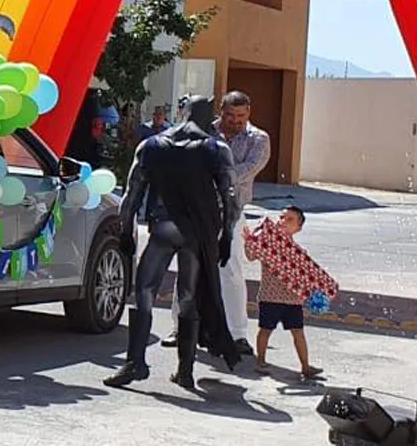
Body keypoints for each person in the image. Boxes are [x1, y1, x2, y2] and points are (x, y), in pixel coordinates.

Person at [103, 96, 241, 391]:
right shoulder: (216, 149)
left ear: (183, 113)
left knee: (144, 292)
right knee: (188, 297)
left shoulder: (152, 145)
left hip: (163, 226)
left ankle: (135, 362)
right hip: (196, 233)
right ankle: (185, 370)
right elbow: (231, 199)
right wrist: (226, 235)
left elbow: (131, 195)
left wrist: (126, 231)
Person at [165, 89, 269, 356]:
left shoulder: (258, 139)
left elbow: (244, 172)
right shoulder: (202, 130)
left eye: (241, 116)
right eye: (230, 115)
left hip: (231, 212)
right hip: (196, 209)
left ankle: (237, 334)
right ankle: (181, 327)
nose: (235, 121)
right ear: (220, 111)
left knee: (230, 269)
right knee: (189, 265)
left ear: (249, 114)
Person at [245, 206, 323, 380]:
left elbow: (308, 277)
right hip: (270, 297)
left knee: (298, 331)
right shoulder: (267, 245)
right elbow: (250, 256)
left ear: (298, 228)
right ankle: (261, 361)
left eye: (290, 220)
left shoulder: (300, 253)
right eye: (281, 217)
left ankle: (305, 366)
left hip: (293, 300)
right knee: (265, 330)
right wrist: (249, 241)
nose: (283, 222)